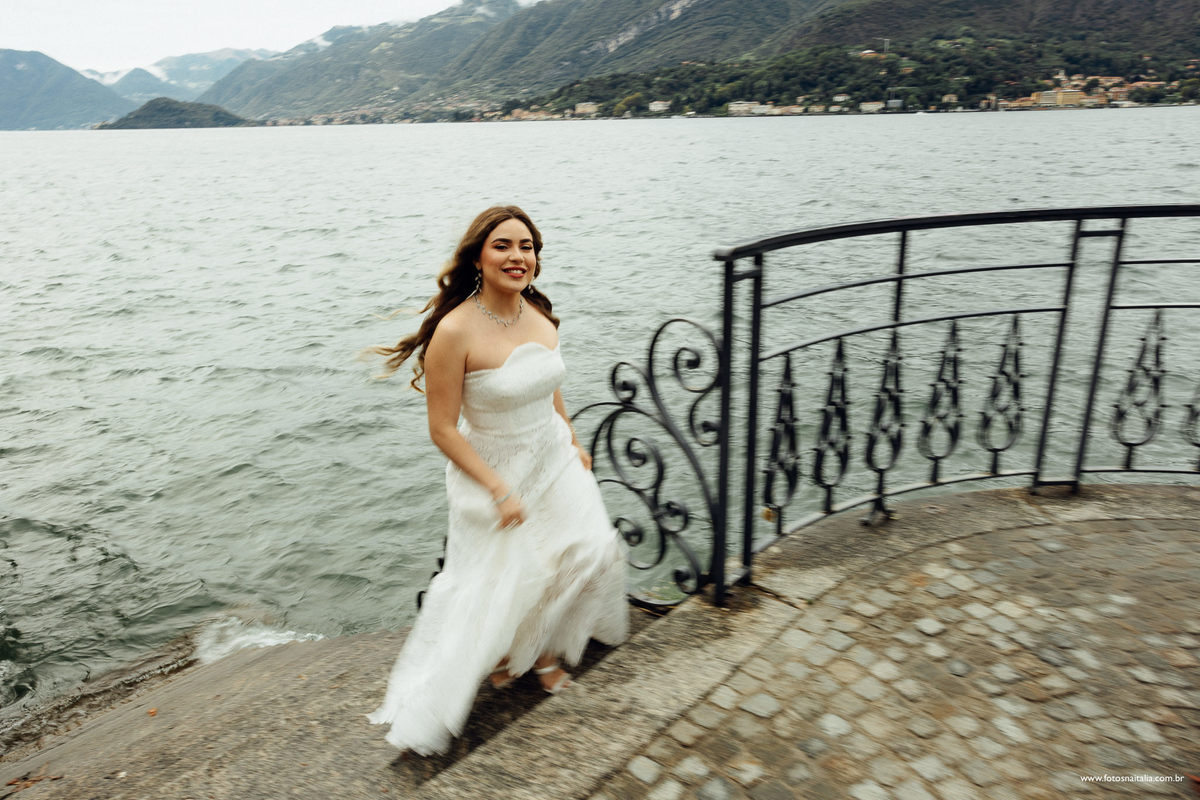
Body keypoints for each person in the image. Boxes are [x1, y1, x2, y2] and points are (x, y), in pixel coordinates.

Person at [365, 205, 629, 756]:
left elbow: (548, 382)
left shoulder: (539, 313)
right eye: (503, 245)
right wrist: (499, 490)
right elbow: (442, 428)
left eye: (526, 246)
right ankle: (521, 657)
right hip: (494, 467)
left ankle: (539, 649)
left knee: (592, 550)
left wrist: (572, 437)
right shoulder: (454, 331)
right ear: (478, 258)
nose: (517, 256)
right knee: (516, 574)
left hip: (552, 454)